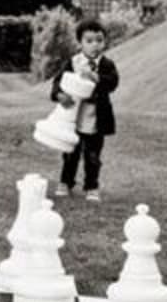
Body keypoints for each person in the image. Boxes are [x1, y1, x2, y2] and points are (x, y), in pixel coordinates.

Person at [50, 18, 120, 202]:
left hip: (95, 117)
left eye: (99, 40)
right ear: (80, 43)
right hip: (73, 116)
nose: (95, 45)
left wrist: (96, 77)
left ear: (104, 41)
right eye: (89, 41)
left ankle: (92, 186)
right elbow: (58, 81)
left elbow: (113, 82)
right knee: (70, 152)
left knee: (93, 155)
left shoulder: (106, 64)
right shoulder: (73, 62)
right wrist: (59, 95)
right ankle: (66, 182)